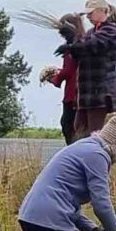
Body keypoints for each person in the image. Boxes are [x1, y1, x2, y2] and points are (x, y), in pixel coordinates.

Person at [59, 0, 116, 139]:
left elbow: (91, 44)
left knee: (95, 137)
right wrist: (71, 44)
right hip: (85, 96)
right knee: (79, 133)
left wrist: (73, 40)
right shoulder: (91, 32)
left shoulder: (111, 31)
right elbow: (80, 53)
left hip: (101, 94)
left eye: (91, 13)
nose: (87, 16)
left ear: (103, 11)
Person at [36, 12, 84, 141]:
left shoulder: (73, 48)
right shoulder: (83, 43)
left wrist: (54, 78)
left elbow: (68, 71)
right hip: (80, 92)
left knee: (68, 125)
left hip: (73, 94)